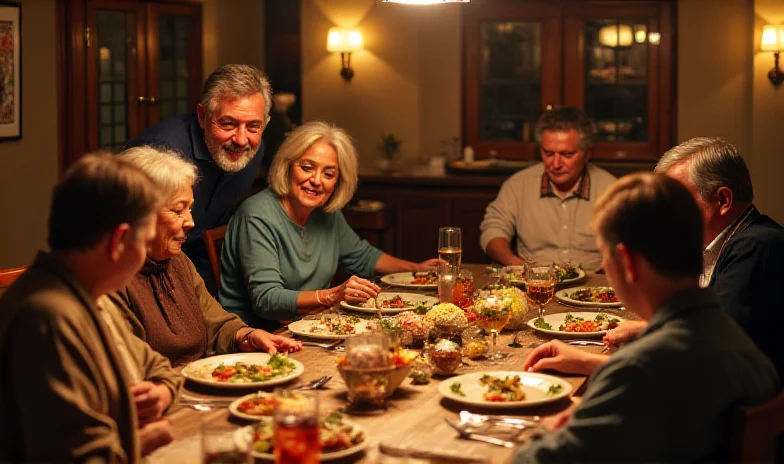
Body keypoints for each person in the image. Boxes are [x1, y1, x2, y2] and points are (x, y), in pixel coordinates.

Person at [515, 172, 779, 463]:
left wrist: (545, 430)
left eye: (604, 255)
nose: (604, 265)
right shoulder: (740, 344)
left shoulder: (639, 371)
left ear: (627, 263)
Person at [0, 154, 184, 462]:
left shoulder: (90, 295)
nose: (144, 255)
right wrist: (142, 442)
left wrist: (163, 391)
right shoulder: (49, 318)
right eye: (145, 241)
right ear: (119, 240)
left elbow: (159, 367)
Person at [219, 121, 438, 329]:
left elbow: (363, 256)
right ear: (287, 166)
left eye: (328, 174)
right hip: (256, 338)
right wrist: (333, 294)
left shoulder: (327, 214)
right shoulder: (256, 214)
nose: (316, 180)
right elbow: (266, 299)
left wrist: (416, 270)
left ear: (338, 181)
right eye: (307, 167)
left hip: (307, 327)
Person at [598, 138, 784, 376]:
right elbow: (706, 327)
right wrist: (648, 327)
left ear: (723, 200)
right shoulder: (727, 242)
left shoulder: (758, 246)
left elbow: (707, 350)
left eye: (676, 201)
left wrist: (591, 363)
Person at [108, 146, 302, 367]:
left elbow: (215, 322)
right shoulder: (114, 279)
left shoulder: (177, 261)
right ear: (138, 214)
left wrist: (247, 336)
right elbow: (133, 366)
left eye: (189, 209)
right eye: (177, 210)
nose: (190, 222)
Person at [126, 64, 273, 295]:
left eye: (254, 126)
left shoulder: (253, 151)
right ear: (203, 117)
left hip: (193, 262)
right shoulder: (162, 152)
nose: (242, 139)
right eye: (228, 123)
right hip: (139, 267)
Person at [480, 107, 616, 270]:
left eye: (567, 155)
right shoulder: (518, 184)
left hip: (594, 286)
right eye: (549, 153)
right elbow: (492, 230)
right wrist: (513, 262)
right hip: (533, 284)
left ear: (587, 154)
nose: (556, 164)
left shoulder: (611, 189)